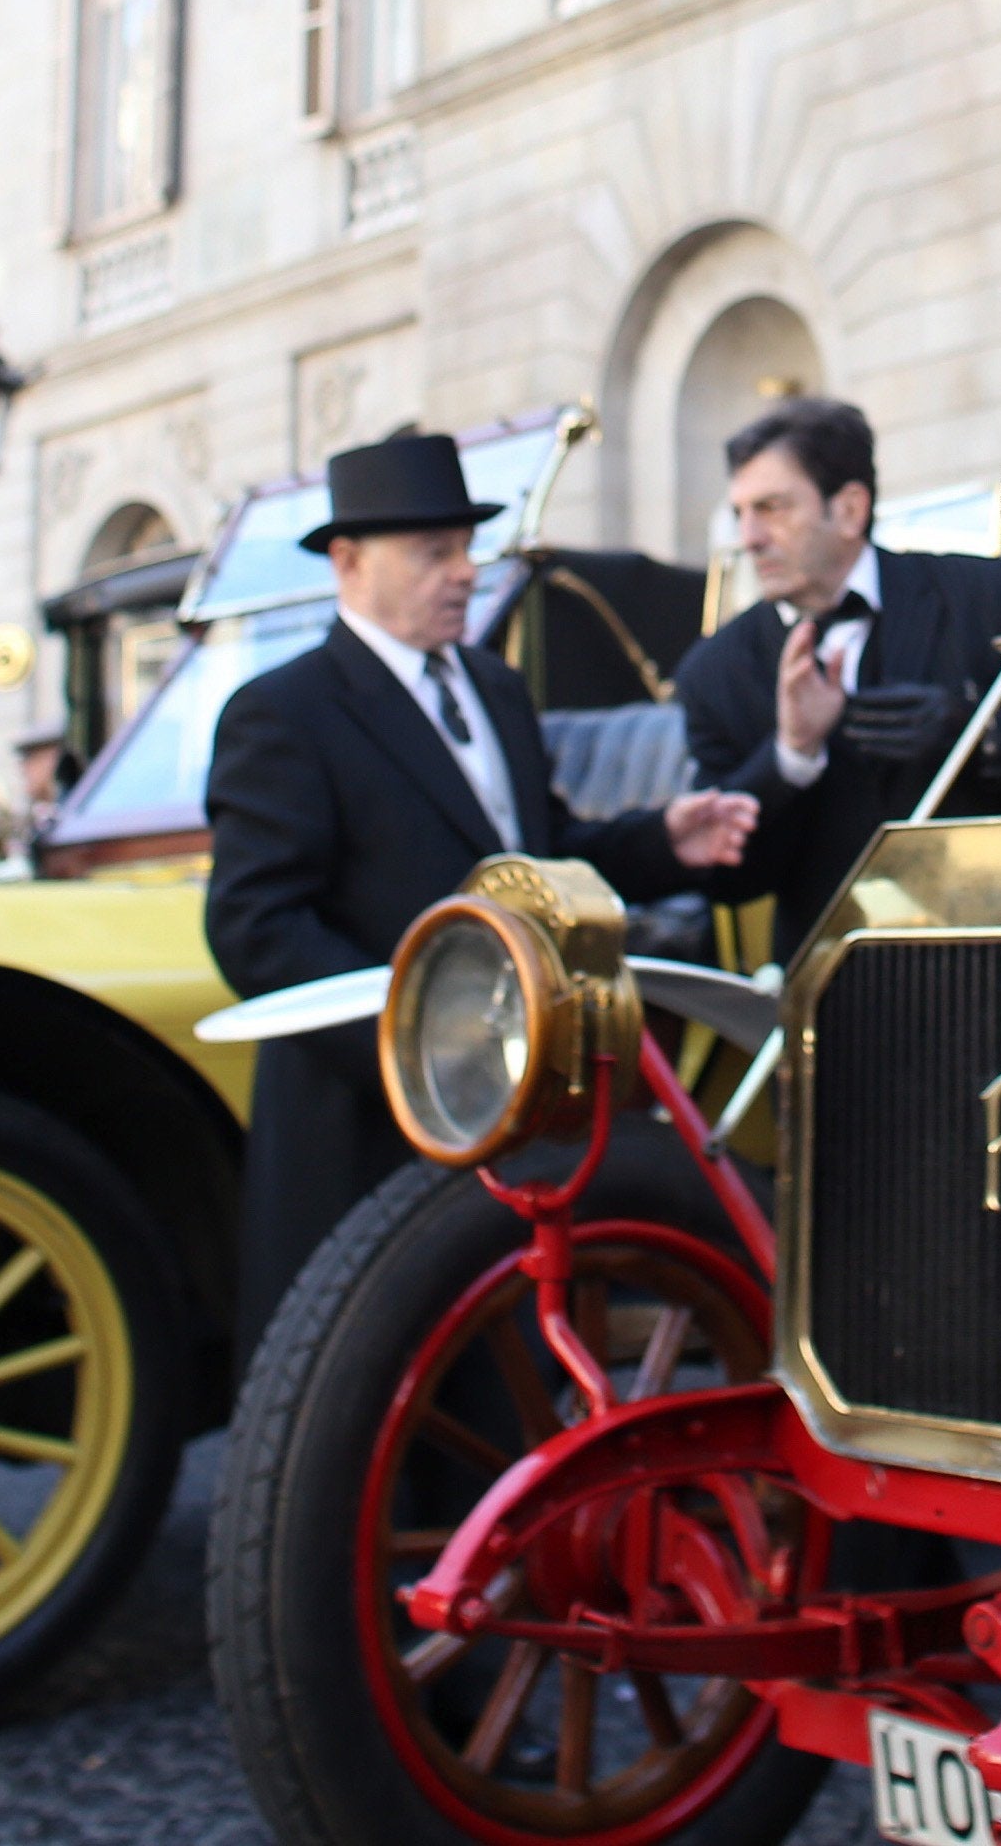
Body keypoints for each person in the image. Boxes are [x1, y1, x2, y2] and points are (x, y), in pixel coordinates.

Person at [204, 432, 759, 1357]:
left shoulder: (497, 690)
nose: (465, 573)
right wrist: (421, 1042)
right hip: (364, 1129)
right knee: (371, 1399)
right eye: (435, 553)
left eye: (466, 548)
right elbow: (254, 928)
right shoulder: (285, 711)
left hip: (505, 1108)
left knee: (494, 1378)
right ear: (349, 563)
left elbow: (543, 856)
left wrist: (666, 839)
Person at [667, 398, 1001, 937]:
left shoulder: (984, 595)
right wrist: (790, 756)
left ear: (849, 510)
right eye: (741, 513)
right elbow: (727, 881)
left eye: (772, 507)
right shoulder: (714, 673)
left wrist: (981, 736)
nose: (749, 538)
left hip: (997, 954)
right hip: (829, 984)